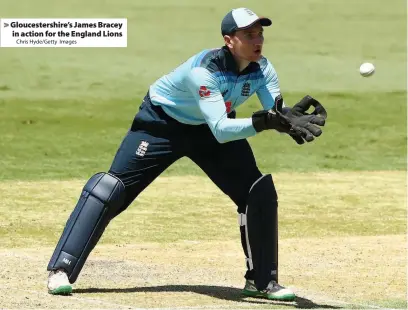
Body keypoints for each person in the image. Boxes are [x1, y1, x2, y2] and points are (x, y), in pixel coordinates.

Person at [46, 7, 327, 302]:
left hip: (210, 127)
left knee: (257, 191)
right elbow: (222, 128)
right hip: (161, 125)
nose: (257, 40)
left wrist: (287, 121)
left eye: (260, 34)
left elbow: (272, 113)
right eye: (248, 34)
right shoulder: (203, 72)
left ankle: (262, 281)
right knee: (110, 190)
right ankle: (60, 270)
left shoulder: (264, 69)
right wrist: (264, 122)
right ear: (229, 40)